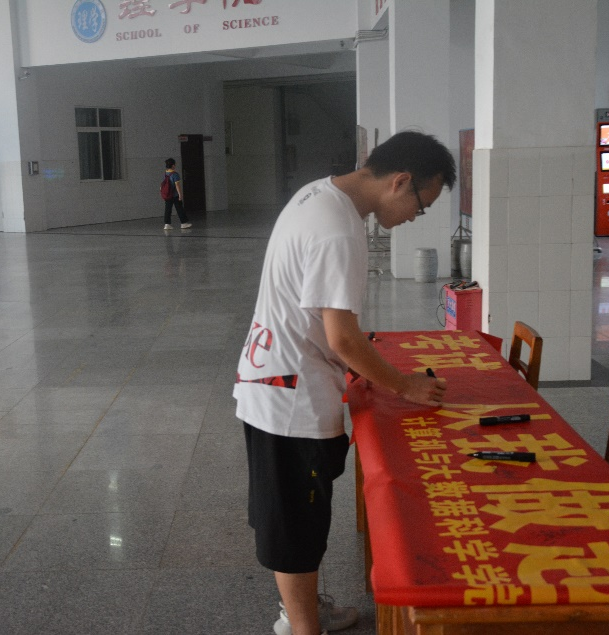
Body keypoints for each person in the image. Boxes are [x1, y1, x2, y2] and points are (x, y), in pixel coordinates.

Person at [234, 131, 456, 635]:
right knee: (296, 526)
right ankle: (304, 627)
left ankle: (304, 611)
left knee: (293, 516)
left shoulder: (317, 194)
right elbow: (343, 338)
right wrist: (404, 385)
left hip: (271, 376)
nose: (415, 217)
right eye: (421, 205)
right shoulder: (340, 231)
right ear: (400, 181)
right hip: (291, 396)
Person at [162, 158, 191, 230]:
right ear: (173, 165)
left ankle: (167, 224)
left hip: (168, 195)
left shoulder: (166, 173)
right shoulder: (175, 174)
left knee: (168, 209)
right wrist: (180, 194)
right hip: (175, 195)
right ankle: (184, 223)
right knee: (179, 209)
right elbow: (177, 185)